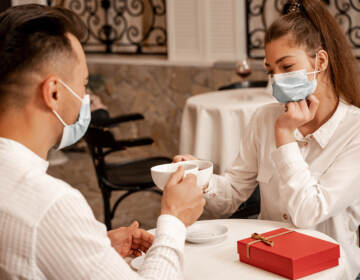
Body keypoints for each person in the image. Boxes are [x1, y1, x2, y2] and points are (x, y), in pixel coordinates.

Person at [0, 4, 205, 279]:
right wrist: (174, 219)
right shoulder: (51, 206)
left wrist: (94, 246)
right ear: (54, 93)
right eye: (84, 84)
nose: (86, 98)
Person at [175, 0, 360, 278]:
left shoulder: (354, 130)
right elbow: (233, 194)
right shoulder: (264, 118)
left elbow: (308, 213)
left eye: (286, 67)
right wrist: (200, 178)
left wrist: (285, 137)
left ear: (320, 61)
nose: (277, 79)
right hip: (269, 262)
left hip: (330, 271)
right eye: (271, 70)